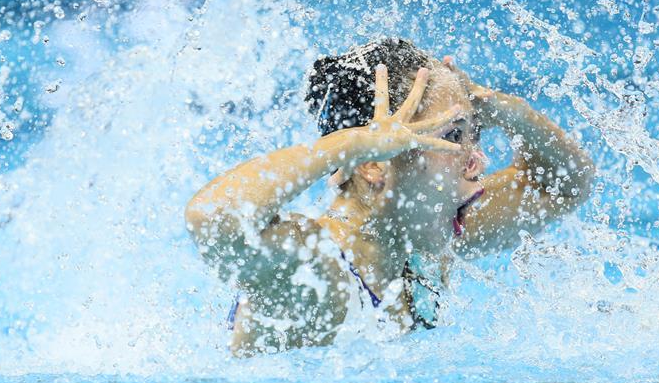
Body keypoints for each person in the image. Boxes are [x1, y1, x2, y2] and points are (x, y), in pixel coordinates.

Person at [185, 38, 594, 356]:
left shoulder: (419, 244)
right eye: (453, 138)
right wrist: (350, 144)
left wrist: (504, 108)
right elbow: (212, 217)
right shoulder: (313, 268)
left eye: (475, 133)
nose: (477, 161)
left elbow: (563, 184)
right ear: (373, 165)